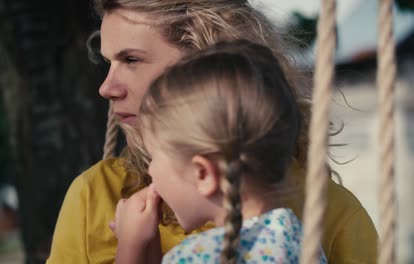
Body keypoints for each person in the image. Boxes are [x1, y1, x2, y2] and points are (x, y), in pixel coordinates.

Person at [47, 1, 378, 263]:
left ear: (206, 64)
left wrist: (131, 249)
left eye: (131, 59)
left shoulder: (328, 211)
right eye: (108, 63)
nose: (106, 88)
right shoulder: (96, 194)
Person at [113, 40, 328, 264]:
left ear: (203, 174)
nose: (151, 170)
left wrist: (130, 244)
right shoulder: (302, 241)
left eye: (154, 157)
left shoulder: (198, 256)